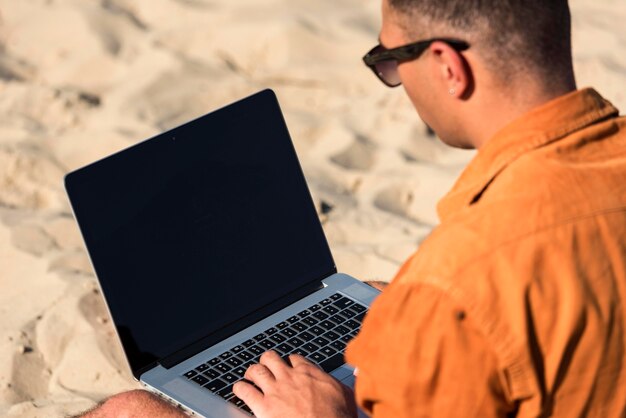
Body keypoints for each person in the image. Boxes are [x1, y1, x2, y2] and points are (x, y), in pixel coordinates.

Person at [78, 0, 626, 416]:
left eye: (388, 59)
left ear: (447, 67)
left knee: (134, 409)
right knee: (378, 295)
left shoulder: (457, 280)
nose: (393, 80)